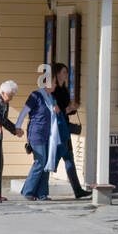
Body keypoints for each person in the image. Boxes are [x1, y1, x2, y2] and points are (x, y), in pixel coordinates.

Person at [50, 63, 92, 199]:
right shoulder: (53, 91)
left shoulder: (65, 90)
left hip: (65, 127)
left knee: (69, 158)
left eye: (67, 72)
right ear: (57, 73)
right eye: (63, 72)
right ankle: (36, 189)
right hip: (58, 128)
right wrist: (67, 109)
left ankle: (78, 190)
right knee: (53, 160)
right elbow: (54, 111)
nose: (66, 75)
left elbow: (67, 111)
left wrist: (73, 108)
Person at [14, 81, 59, 201]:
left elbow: (55, 110)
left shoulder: (51, 98)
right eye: (53, 82)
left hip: (48, 134)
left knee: (46, 163)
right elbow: (24, 112)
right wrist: (17, 126)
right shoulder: (36, 96)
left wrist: (56, 109)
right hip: (36, 133)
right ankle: (27, 191)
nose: (56, 84)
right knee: (40, 161)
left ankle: (42, 194)